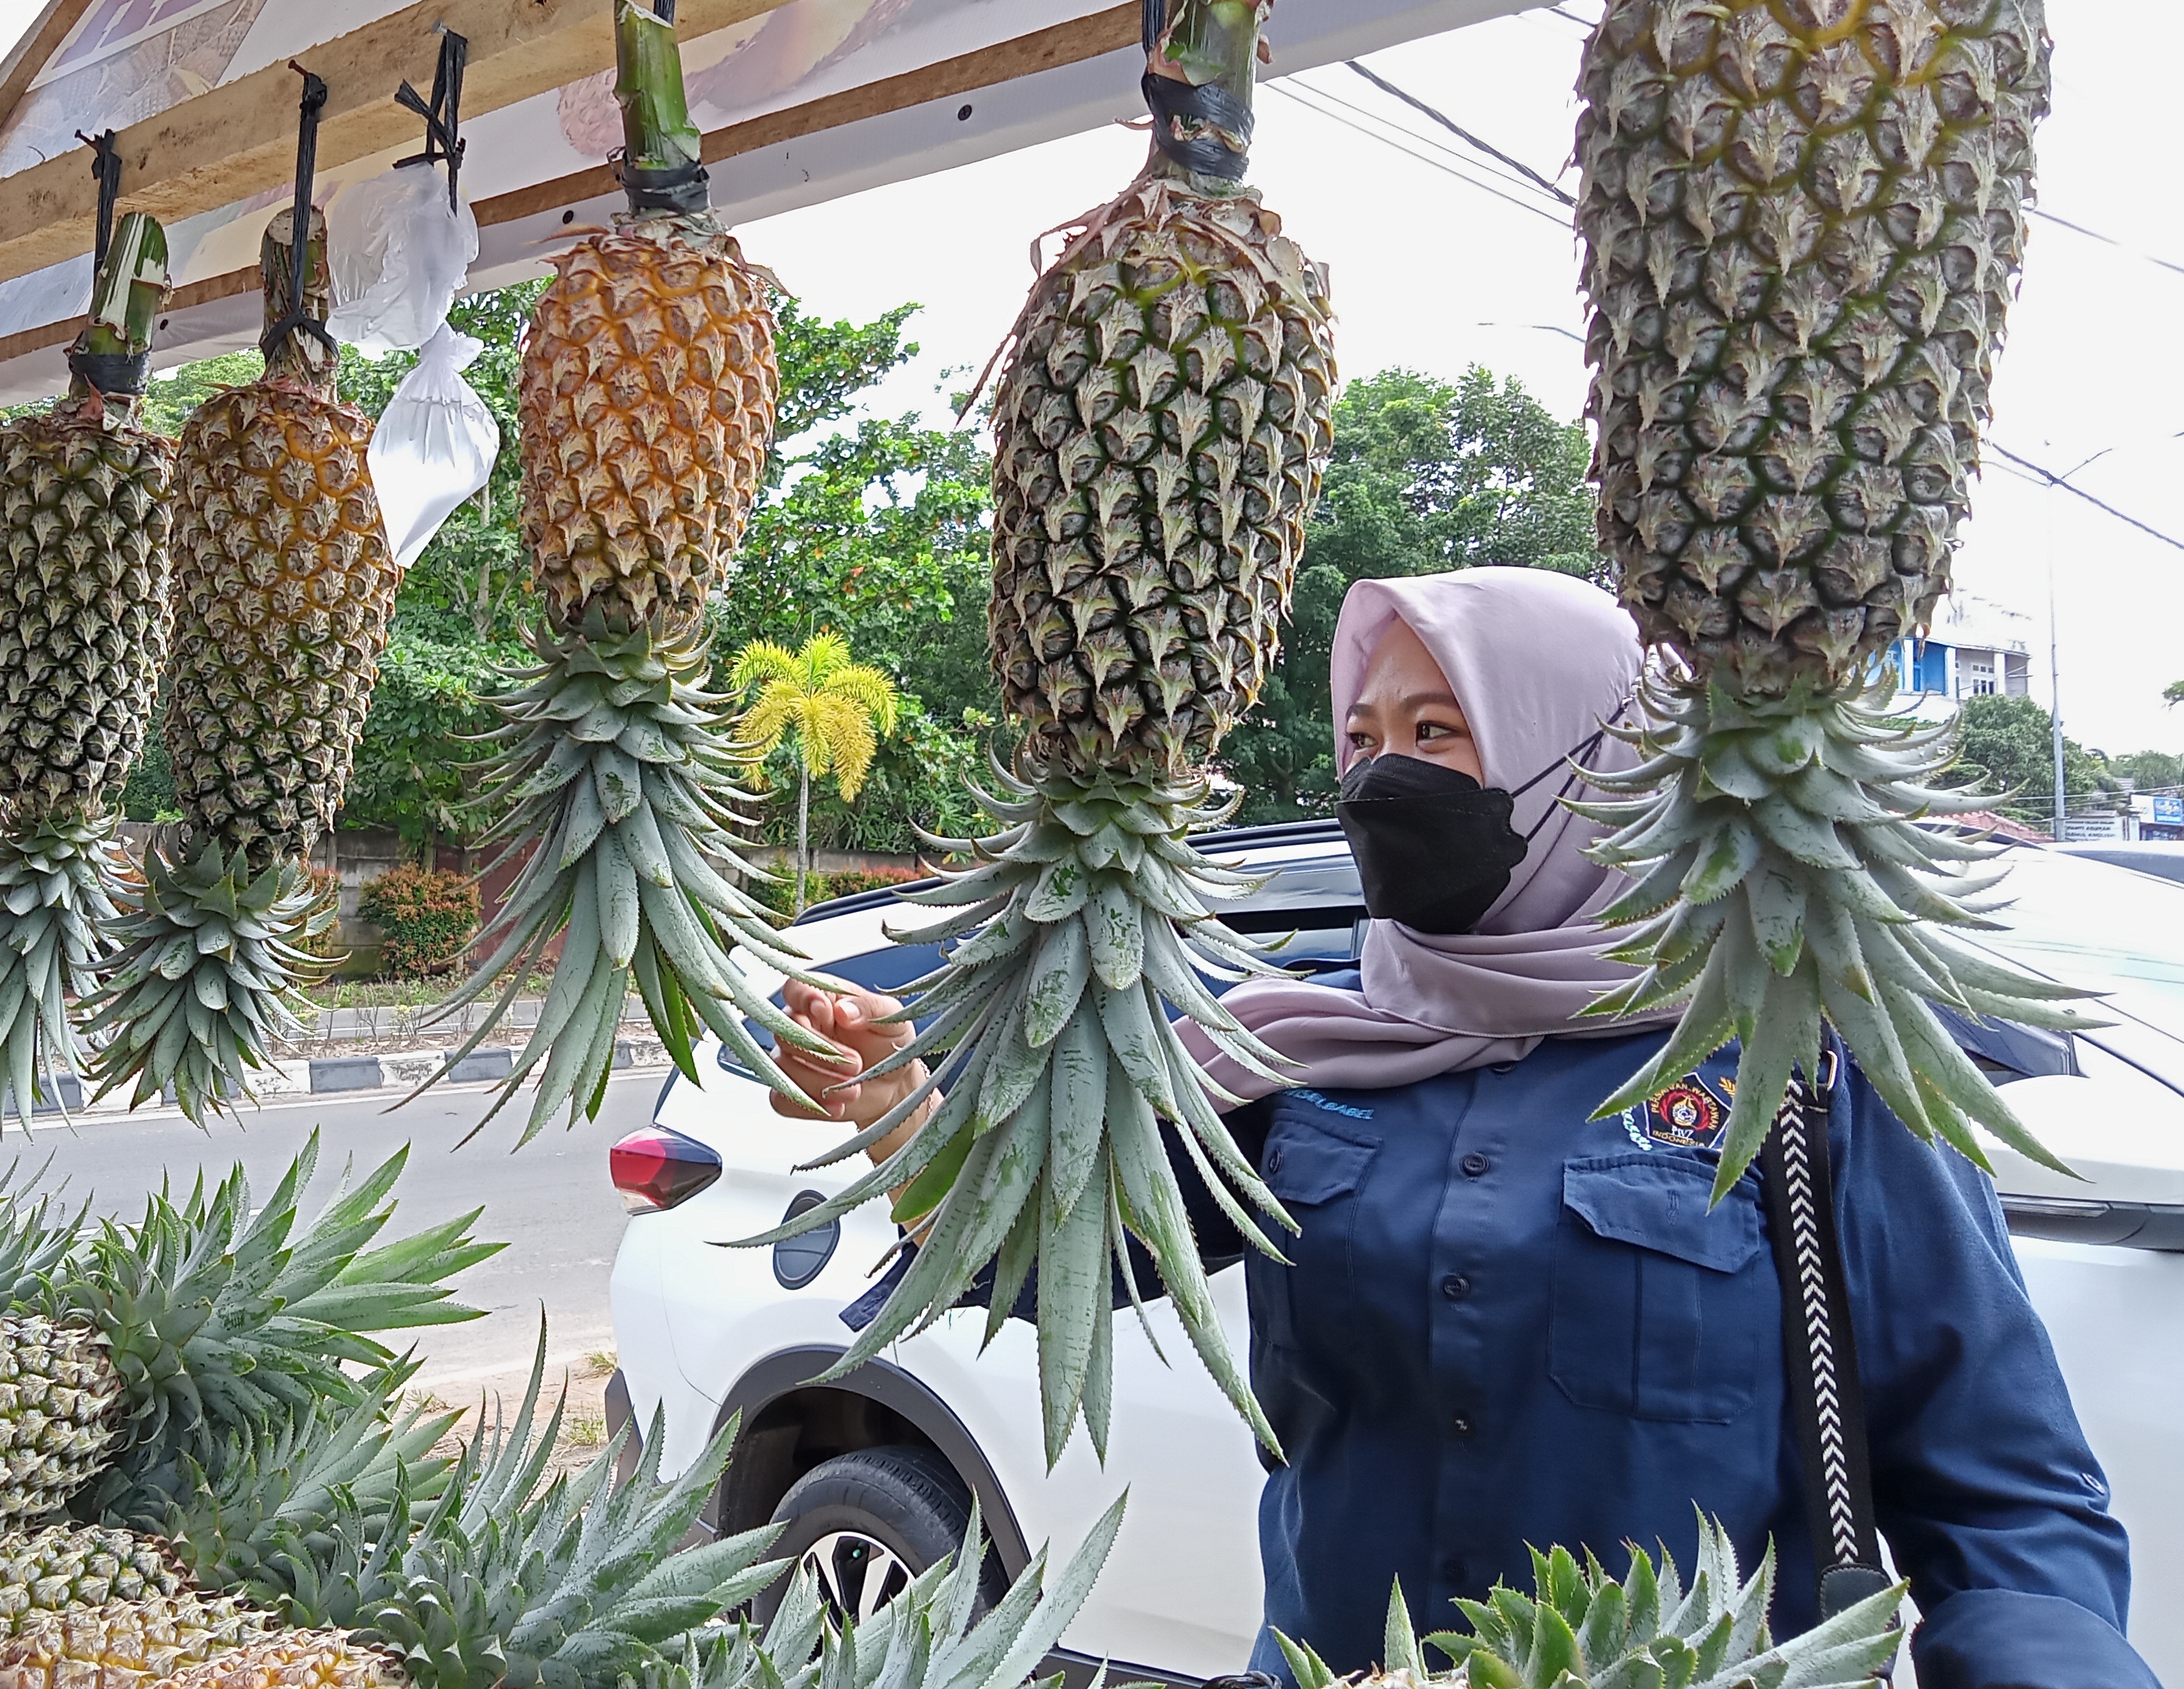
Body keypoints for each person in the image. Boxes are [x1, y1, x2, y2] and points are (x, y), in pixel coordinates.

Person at [770, 567, 2156, 1689]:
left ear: (1598, 758)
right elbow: (1048, 1257)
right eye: (1362, 740)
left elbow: (2006, 1502)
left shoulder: (1803, 1060)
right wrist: (899, 1108)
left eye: (1437, 736)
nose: (1383, 781)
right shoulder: (1297, 1050)